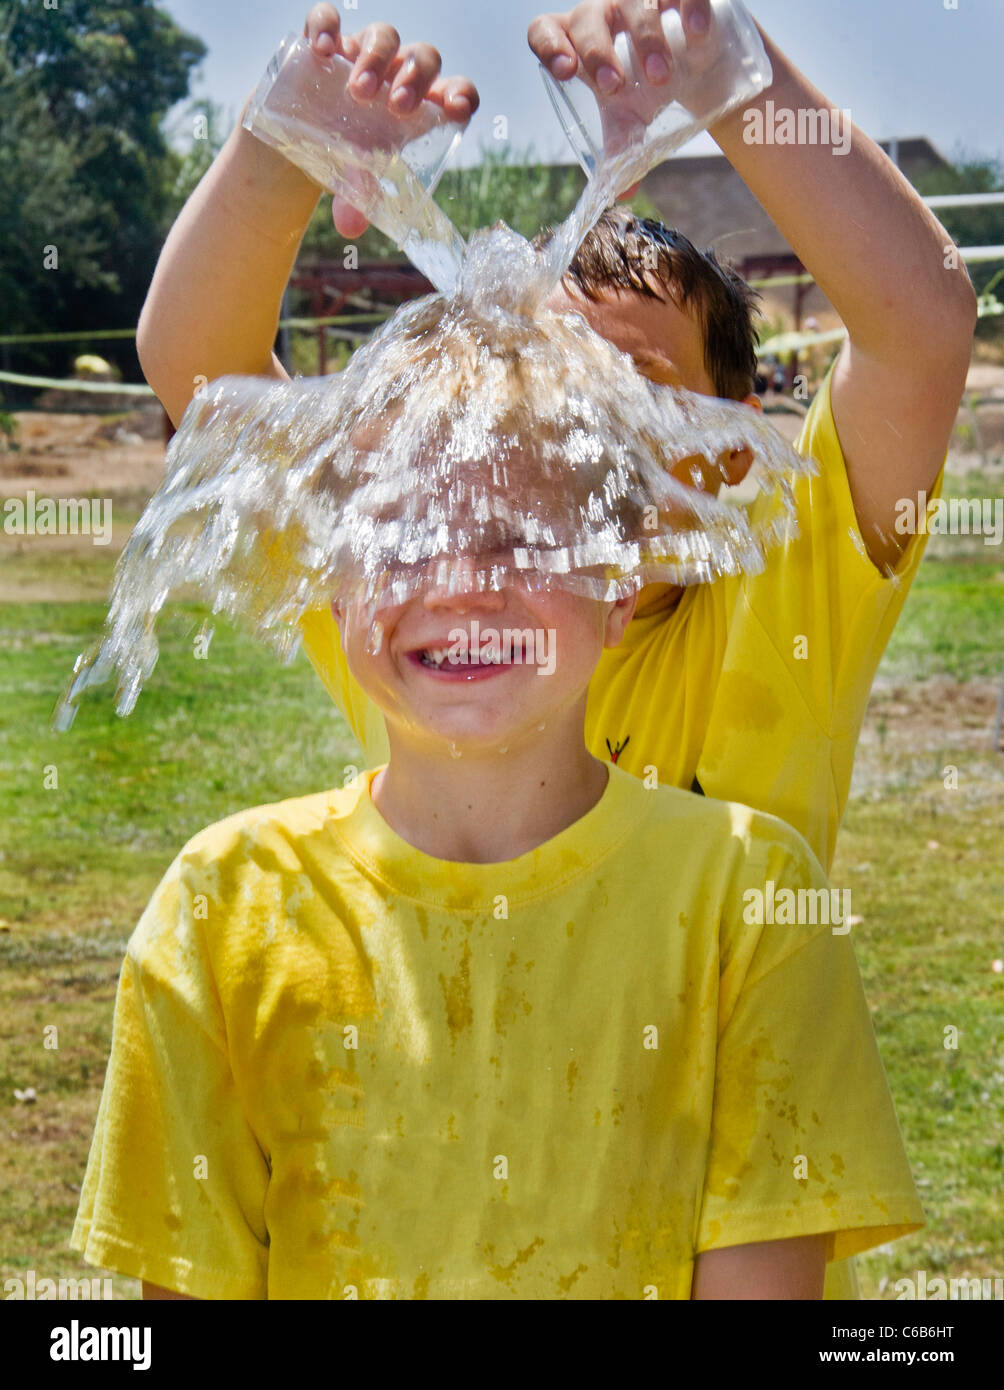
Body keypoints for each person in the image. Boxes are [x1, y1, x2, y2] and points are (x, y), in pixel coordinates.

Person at [116, 1, 976, 1297]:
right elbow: (200, 369)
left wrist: (730, 77)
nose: (591, 442)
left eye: (635, 382)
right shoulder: (451, 574)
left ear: (745, 432)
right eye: (551, 402)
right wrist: (284, 139)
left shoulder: (788, 555)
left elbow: (921, 329)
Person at [69, 325, 925, 1295]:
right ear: (332, 584)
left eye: (520, 539)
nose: (459, 583)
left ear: (617, 586)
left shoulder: (751, 901)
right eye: (398, 536)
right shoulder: (223, 910)